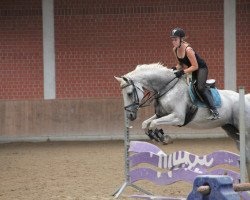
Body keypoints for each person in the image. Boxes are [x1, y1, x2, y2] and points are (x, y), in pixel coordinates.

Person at [170, 27, 220, 120]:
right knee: (189, 87)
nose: (173, 42)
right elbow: (180, 64)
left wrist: (183, 72)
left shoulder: (188, 50)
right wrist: (174, 68)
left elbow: (195, 66)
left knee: (200, 87)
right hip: (191, 69)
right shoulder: (175, 50)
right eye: (172, 40)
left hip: (201, 68)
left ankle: (214, 111)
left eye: (175, 39)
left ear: (181, 39)